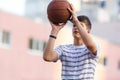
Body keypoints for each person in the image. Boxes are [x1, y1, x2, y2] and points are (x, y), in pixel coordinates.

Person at [43, 4, 100, 80]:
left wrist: (76, 21)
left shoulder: (93, 46)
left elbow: (90, 46)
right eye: (74, 26)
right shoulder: (63, 48)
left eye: (80, 25)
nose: (76, 27)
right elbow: (47, 57)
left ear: (88, 31)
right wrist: (54, 31)